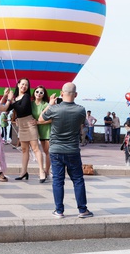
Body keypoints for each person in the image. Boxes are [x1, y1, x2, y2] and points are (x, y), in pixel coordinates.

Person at [39, 82, 93, 218]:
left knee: (58, 180)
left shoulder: (55, 109)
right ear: (76, 95)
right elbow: (80, 124)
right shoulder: (81, 110)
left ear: (61, 93)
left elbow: (40, 119)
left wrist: (50, 105)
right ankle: (82, 210)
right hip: (72, 150)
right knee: (78, 180)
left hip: (55, 149)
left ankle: (59, 210)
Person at [8, 78, 46, 182]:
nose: (24, 86)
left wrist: (12, 101)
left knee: (35, 148)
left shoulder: (26, 96)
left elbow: (21, 109)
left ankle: (41, 171)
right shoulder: (15, 98)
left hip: (29, 124)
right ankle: (23, 172)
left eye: (26, 85)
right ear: (18, 84)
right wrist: (7, 98)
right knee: (24, 150)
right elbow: (7, 108)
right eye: (22, 84)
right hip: (21, 124)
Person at [32, 85, 52, 178]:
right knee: (39, 151)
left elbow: (52, 119)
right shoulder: (31, 104)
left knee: (47, 151)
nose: (38, 94)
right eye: (37, 91)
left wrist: (39, 123)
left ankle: (47, 171)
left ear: (44, 95)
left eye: (41, 92)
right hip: (36, 131)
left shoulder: (46, 105)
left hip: (47, 130)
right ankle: (42, 169)